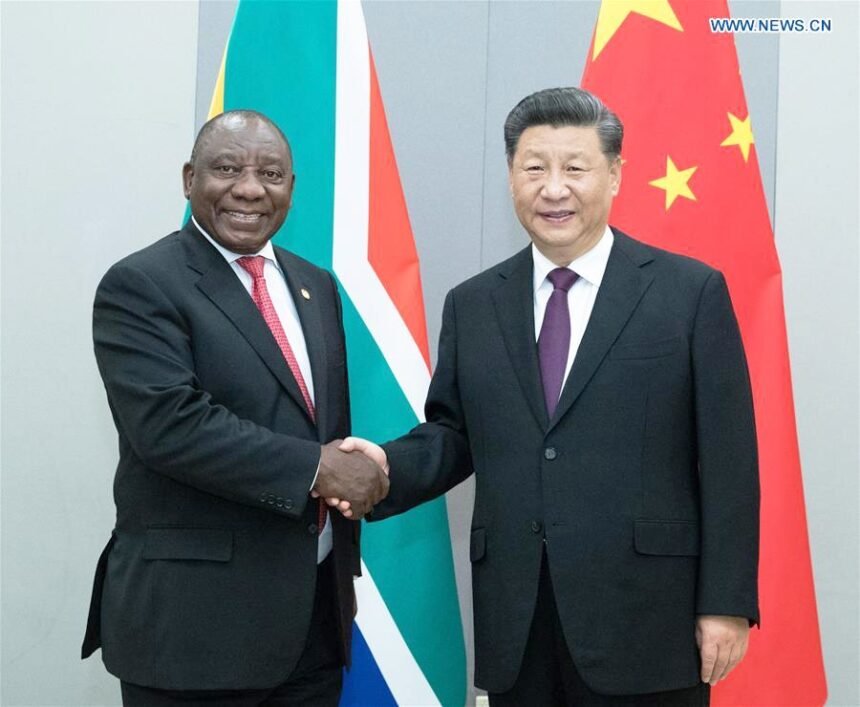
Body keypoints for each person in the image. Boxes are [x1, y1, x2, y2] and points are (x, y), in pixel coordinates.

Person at [340, 87, 759, 705]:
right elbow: (454, 434)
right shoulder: (474, 303)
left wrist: (725, 602)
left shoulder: (688, 293)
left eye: (575, 168)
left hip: (647, 621)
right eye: (534, 168)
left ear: (614, 175)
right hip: (519, 621)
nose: (553, 189)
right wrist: (384, 466)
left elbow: (729, 460)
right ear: (512, 177)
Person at [81, 110, 389, 706]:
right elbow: (171, 427)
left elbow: (320, 424)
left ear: (291, 188)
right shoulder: (141, 283)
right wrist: (319, 469)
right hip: (194, 635)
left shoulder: (315, 285)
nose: (249, 189)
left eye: (270, 174)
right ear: (189, 179)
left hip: (312, 630)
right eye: (227, 169)